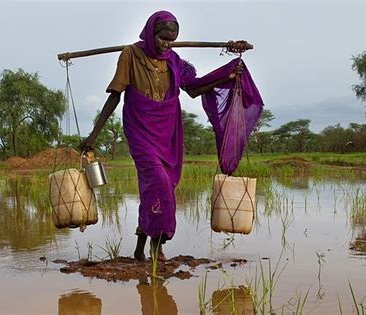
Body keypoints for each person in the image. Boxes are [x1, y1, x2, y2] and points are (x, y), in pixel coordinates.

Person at [80, 10, 249, 261]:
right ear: (151, 33)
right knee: (159, 182)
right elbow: (115, 94)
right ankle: (157, 247)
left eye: (171, 39)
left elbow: (192, 89)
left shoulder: (174, 60)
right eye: (162, 38)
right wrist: (93, 135)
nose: (166, 44)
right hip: (140, 130)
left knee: (157, 188)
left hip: (167, 132)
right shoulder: (131, 55)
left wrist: (228, 74)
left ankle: (140, 247)